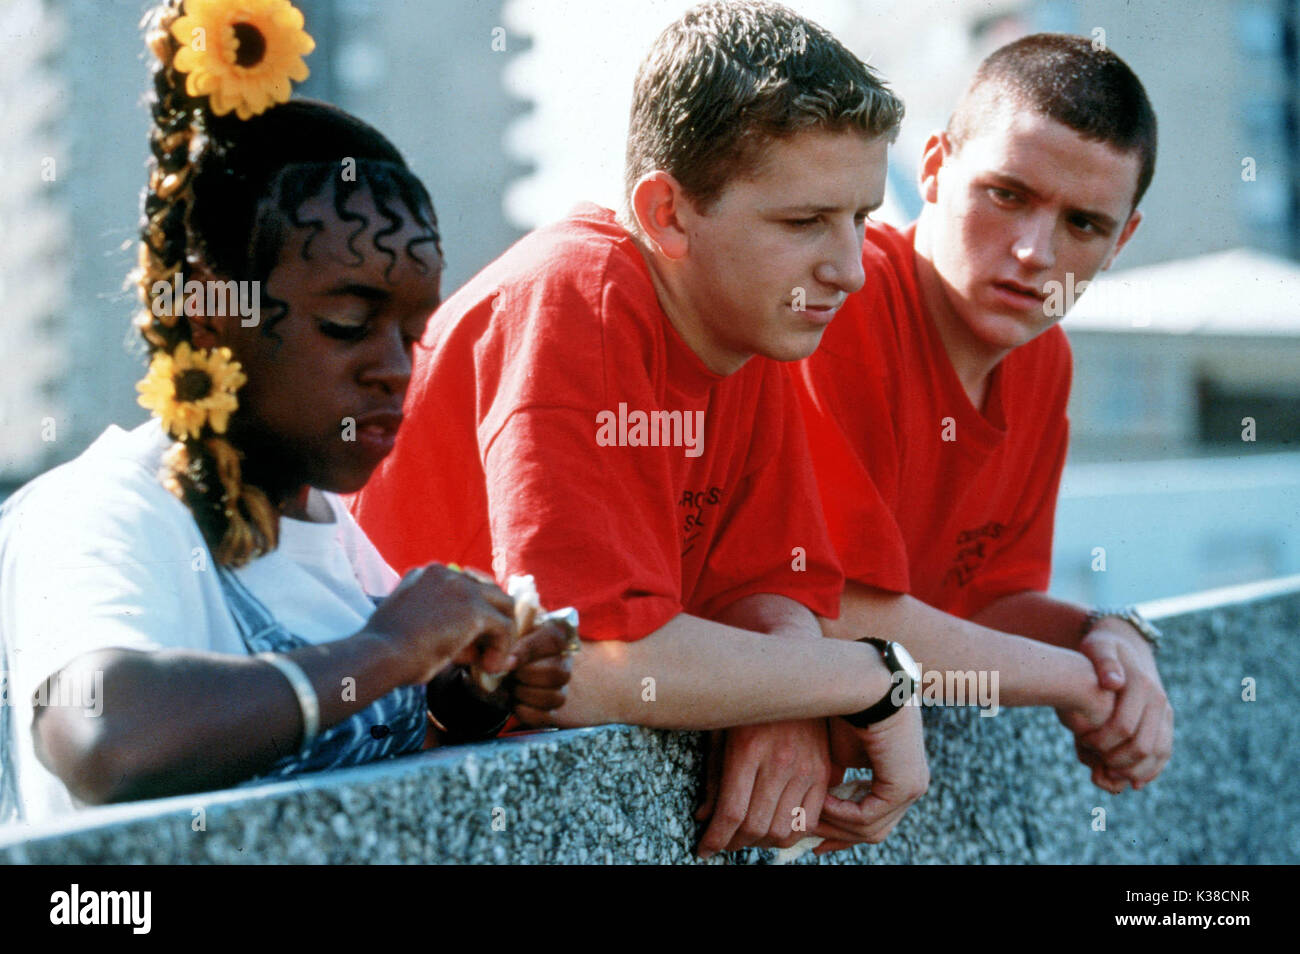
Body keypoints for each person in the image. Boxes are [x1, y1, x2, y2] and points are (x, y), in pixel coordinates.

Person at [350, 0, 929, 859]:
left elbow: (775, 588)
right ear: (665, 214)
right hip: (403, 805)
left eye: (862, 219)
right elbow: (581, 669)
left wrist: (789, 700)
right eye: (804, 222)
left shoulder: (751, 323)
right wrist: (876, 679)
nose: (849, 269)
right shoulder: (574, 299)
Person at [0, 0, 570, 828]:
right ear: (208, 314)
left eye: (414, 334)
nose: (393, 368)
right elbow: (102, 739)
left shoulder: (327, 529)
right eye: (348, 323)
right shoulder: (102, 512)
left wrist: (465, 695)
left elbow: (347, 752)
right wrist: (385, 650)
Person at [790, 33, 1173, 802]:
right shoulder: (841, 310)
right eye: (1007, 195)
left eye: (1084, 225)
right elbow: (831, 614)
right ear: (933, 168)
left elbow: (984, 604)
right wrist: (1077, 681)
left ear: (1121, 240)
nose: (1035, 253)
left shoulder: (1045, 358)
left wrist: (1111, 636)